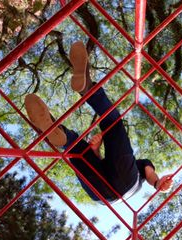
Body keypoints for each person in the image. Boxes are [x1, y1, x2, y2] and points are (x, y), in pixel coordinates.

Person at [24, 41, 173, 204]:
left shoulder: (140, 170)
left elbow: (149, 174)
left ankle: (87, 88)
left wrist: (158, 183)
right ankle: (60, 135)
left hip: (126, 182)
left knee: (113, 122)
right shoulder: (128, 171)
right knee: (77, 150)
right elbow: (101, 167)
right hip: (101, 195)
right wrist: (95, 150)